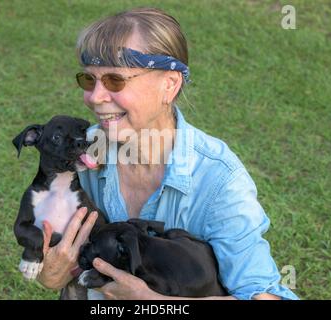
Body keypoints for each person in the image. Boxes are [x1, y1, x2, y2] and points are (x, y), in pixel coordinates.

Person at [37, 7, 299, 300]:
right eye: (89, 80)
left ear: (169, 84)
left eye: (115, 80)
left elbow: (266, 296)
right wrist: (52, 274)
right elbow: (54, 257)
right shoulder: (81, 152)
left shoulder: (218, 180)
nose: (95, 97)